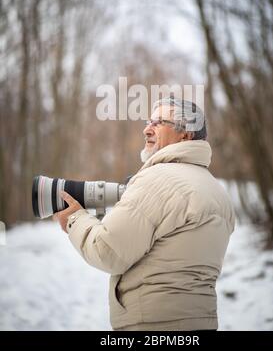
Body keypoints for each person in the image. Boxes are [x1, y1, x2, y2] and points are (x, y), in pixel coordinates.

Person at [54, 97, 235, 331]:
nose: (146, 129)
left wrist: (75, 219)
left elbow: (107, 251)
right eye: (149, 120)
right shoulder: (216, 190)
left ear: (186, 135)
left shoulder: (158, 179)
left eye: (159, 122)